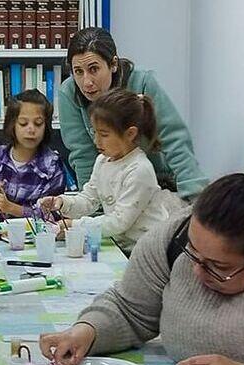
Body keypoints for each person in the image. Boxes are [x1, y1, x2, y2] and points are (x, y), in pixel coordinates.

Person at [40, 151, 244, 365]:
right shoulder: (172, 236)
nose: (197, 270)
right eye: (192, 252)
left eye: (218, 267)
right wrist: (86, 332)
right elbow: (130, 308)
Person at [56, 27, 206, 198]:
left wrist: (194, 197)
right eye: (78, 72)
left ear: (113, 64)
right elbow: (83, 156)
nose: (86, 82)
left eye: (94, 69)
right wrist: (92, 210)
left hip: (157, 185)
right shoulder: (68, 93)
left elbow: (174, 139)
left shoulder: (142, 82)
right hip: (112, 190)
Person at [38, 88, 172, 255]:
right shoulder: (103, 160)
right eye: (95, 133)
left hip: (148, 251)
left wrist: (76, 225)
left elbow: (119, 221)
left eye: (104, 134)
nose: (96, 141)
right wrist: (62, 202)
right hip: (119, 245)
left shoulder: (139, 170)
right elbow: (89, 199)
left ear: (130, 134)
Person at [0, 89, 66, 222]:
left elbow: (55, 214)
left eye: (38, 123)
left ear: (46, 127)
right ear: (12, 125)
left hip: (36, 239)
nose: (31, 129)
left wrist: (12, 208)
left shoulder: (52, 165)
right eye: (23, 123)